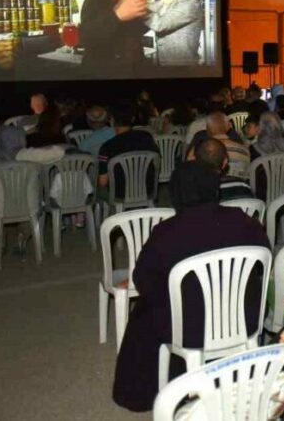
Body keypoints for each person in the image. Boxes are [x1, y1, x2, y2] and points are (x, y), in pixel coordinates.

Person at [112, 161, 270, 412]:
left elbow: (142, 280)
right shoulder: (244, 220)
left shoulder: (166, 232)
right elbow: (263, 263)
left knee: (144, 313)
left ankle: (150, 390)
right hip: (242, 318)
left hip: (189, 329)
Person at [96, 104, 160, 200]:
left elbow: (102, 182)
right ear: (133, 119)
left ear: (112, 121)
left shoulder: (107, 147)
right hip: (147, 190)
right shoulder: (147, 137)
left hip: (119, 195)